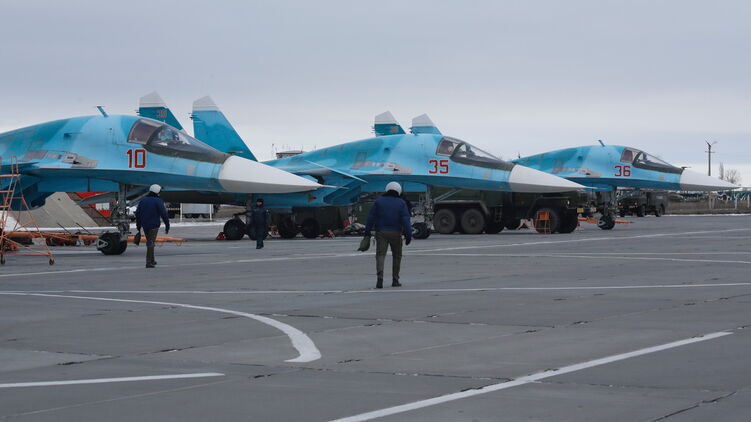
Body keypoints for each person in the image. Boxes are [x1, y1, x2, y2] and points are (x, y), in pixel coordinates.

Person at [364, 182, 412, 288]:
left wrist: (367, 232)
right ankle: (395, 279)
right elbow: (405, 219)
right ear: (399, 191)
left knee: (380, 255)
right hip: (396, 232)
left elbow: (371, 217)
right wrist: (408, 234)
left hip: (381, 232)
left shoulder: (379, 201)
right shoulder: (401, 203)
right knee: (397, 256)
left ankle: (380, 277)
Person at [135, 184, 170, 268]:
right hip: (154, 225)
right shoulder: (158, 201)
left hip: (145, 225)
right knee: (150, 242)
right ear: (157, 192)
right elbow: (164, 214)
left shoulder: (143, 200)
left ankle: (152, 260)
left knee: (150, 241)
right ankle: (148, 262)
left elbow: (138, 214)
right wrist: (167, 225)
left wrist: (138, 226)